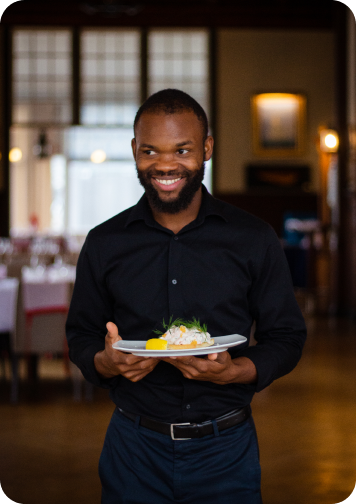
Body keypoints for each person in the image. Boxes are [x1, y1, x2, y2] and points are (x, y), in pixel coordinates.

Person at [66, 88, 307, 504]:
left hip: (226, 450)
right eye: (149, 151)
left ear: (207, 149)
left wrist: (237, 371)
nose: (164, 164)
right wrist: (104, 362)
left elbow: (286, 336)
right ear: (134, 151)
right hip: (133, 449)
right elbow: (81, 335)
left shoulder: (253, 238)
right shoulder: (104, 242)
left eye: (182, 149)